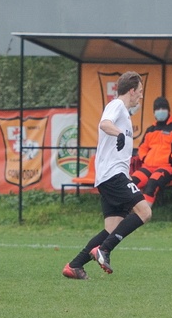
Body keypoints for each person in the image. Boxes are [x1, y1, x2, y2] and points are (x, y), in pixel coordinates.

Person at [62, 71, 152, 279]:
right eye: (139, 91)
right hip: (113, 175)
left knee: (111, 228)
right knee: (145, 212)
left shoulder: (125, 113)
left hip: (111, 176)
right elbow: (104, 123)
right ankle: (104, 250)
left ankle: (74, 266)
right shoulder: (117, 105)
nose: (141, 95)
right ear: (131, 91)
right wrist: (118, 133)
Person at [131, 96, 172, 206]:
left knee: (151, 185)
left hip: (167, 168)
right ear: (154, 112)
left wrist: (171, 158)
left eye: (163, 108)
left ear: (168, 110)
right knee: (131, 183)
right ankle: (127, 213)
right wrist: (144, 157)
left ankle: (143, 216)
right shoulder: (151, 130)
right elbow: (142, 148)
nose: (160, 111)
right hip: (147, 167)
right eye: (157, 109)